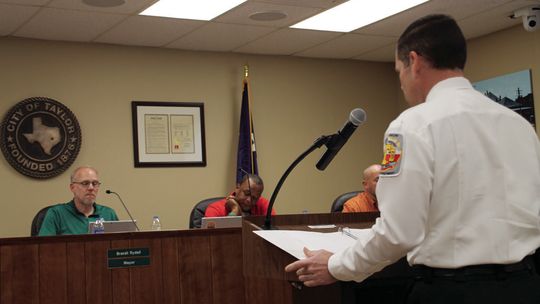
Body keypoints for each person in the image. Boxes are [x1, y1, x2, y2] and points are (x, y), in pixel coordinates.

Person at [285, 14, 540, 303]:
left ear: (414, 61)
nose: (402, 83)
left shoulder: (413, 125)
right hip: (526, 286)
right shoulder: (519, 125)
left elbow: (399, 232)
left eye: (399, 71)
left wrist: (336, 266)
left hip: (453, 292)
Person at [38, 166, 118, 236]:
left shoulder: (109, 214)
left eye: (95, 183)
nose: (91, 188)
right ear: (72, 188)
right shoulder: (56, 214)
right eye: (85, 183)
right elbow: (44, 249)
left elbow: (118, 246)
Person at [204, 174, 275, 217]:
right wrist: (235, 210)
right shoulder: (215, 209)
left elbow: (273, 232)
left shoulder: (264, 205)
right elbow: (210, 237)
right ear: (237, 188)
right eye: (246, 193)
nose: (248, 200)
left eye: (254, 198)